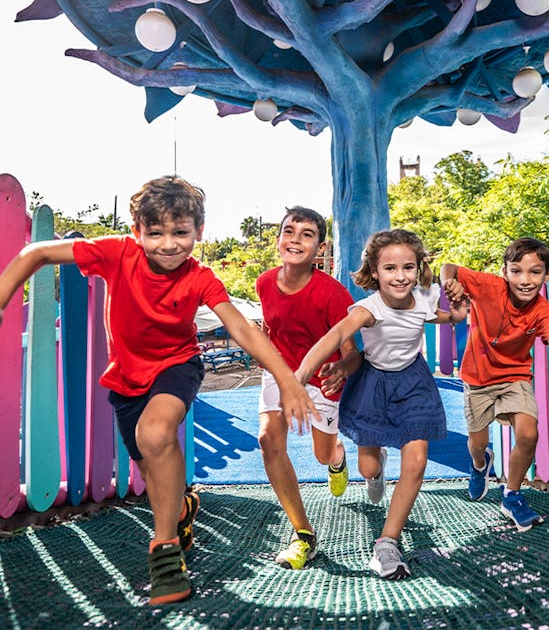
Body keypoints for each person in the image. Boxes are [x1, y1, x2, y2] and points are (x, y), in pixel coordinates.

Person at [0, 175, 319, 606]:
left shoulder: (200, 277)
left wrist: (286, 379)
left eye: (180, 233)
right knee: (154, 474)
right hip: (127, 378)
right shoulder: (116, 252)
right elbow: (34, 253)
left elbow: (240, 326)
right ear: (137, 232)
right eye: (155, 233)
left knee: (156, 434)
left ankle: (166, 552)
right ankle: (183, 509)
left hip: (177, 367)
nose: (168, 244)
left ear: (198, 232)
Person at [295, 228, 467, 580]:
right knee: (369, 470)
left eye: (408, 267)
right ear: (374, 271)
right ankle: (377, 465)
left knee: (417, 461)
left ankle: (387, 543)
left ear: (418, 267)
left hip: (414, 382)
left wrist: (459, 314)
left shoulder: (422, 298)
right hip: (374, 384)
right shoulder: (367, 309)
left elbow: (440, 317)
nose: (400, 276)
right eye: (390, 268)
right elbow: (335, 336)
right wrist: (298, 378)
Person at [441, 237, 549, 531]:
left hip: (514, 377)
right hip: (477, 379)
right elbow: (448, 267)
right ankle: (480, 464)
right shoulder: (488, 286)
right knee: (478, 443)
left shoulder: (543, 310)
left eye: (535, 272)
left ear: (547, 275)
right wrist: (449, 283)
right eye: (517, 271)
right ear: (505, 271)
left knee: (529, 434)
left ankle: (512, 495)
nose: (525, 279)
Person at [256, 206, 361, 570]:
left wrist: (342, 367)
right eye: (289, 231)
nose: (295, 239)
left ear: (320, 247)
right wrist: (265, 354)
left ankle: (337, 456)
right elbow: (272, 329)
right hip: (281, 372)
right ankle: (303, 535)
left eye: (306, 234)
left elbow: (354, 354)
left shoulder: (333, 294)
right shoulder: (265, 282)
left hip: (321, 381)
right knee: (269, 439)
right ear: (278, 239)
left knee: (321, 454)